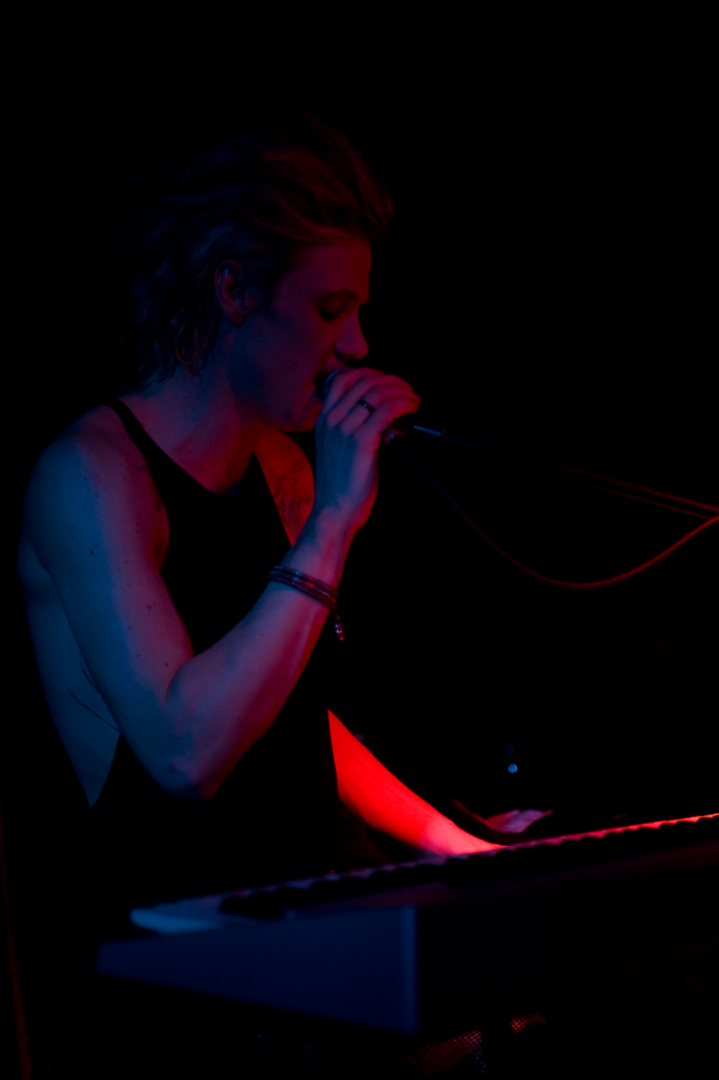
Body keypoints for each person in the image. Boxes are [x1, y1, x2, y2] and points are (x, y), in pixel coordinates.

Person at [18, 117, 493, 932]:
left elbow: (287, 723)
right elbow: (185, 756)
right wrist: (332, 525)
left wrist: (456, 842)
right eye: (330, 310)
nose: (356, 345)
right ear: (234, 291)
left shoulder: (282, 468)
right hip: (185, 929)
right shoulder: (92, 474)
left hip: (313, 888)